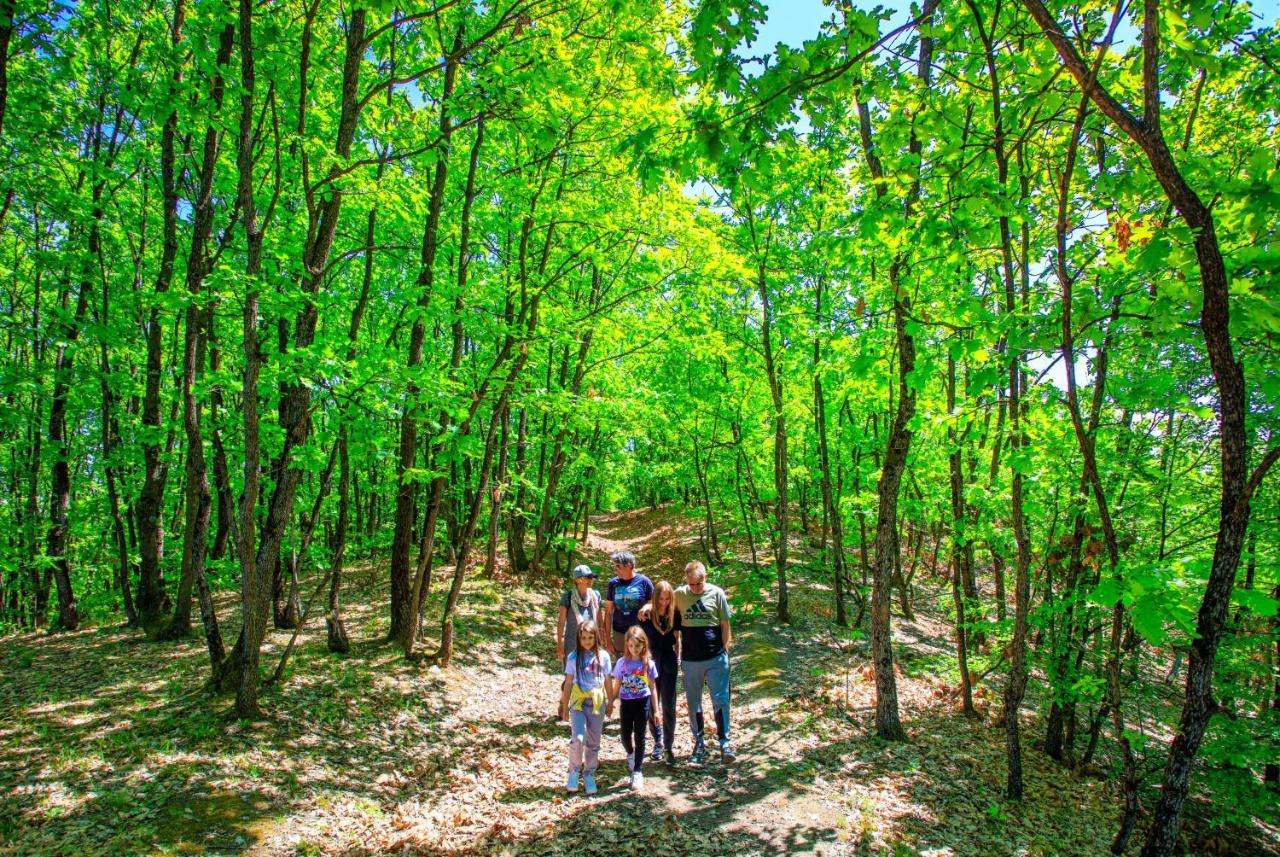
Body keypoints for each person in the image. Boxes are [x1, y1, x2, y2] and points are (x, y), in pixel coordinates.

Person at [674, 560, 735, 763]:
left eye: (698, 584)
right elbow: (661, 603)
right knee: (694, 703)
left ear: (705, 578)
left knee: (721, 700)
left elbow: (725, 624)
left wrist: (724, 650)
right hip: (691, 660)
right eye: (691, 584)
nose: (694, 588)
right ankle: (698, 743)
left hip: (716, 657)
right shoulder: (680, 595)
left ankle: (724, 743)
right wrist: (648, 606)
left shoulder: (717, 594)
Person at [559, 619, 614, 795]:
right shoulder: (573, 657)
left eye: (590, 638)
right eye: (583, 638)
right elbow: (568, 682)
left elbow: (607, 681)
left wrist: (611, 702)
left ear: (596, 637)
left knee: (593, 740)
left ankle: (589, 773)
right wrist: (564, 704)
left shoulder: (603, 656)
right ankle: (574, 772)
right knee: (579, 738)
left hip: (597, 703)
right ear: (579, 638)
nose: (587, 641)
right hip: (578, 703)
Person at [611, 625, 659, 790]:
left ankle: (638, 771)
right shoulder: (622, 663)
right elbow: (616, 685)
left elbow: (652, 688)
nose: (634, 649)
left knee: (640, 735)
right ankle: (631, 753)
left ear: (644, 645)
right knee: (625, 735)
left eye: (637, 646)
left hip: (642, 703)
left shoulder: (648, 664)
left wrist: (656, 710)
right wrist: (609, 702)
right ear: (626, 645)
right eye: (631, 646)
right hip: (626, 703)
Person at [639, 579, 680, 765]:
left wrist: (679, 658)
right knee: (651, 704)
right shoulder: (646, 615)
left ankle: (669, 746)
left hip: (669, 661)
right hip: (651, 661)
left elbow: (677, 638)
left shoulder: (675, 614)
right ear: (655, 598)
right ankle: (657, 741)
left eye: (667, 599)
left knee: (669, 705)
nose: (664, 602)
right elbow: (640, 642)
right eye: (661, 599)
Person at [556, 565, 601, 719]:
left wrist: (602, 641)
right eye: (587, 577)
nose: (590, 580)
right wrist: (559, 644)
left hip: (591, 643)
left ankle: (582, 709)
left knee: (589, 674)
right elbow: (561, 621)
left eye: (591, 578)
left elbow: (599, 622)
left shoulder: (595, 596)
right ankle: (564, 702)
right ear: (576, 580)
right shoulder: (568, 597)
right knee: (570, 675)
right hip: (572, 643)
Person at [603, 550, 653, 656]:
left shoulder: (644, 581)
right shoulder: (613, 583)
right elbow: (608, 612)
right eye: (615, 566)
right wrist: (607, 639)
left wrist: (648, 606)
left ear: (629, 565)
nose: (616, 569)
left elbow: (654, 603)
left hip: (640, 633)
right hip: (619, 634)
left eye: (618, 566)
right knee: (621, 669)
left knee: (640, 669)